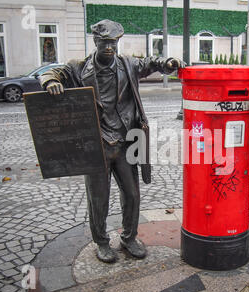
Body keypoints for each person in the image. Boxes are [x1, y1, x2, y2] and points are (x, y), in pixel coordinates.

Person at [39, 20, 184, 263]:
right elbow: (50, 72)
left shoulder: (128, 64)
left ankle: (129, 237)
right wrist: (50, 82)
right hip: (96, 145)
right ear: (96, 42)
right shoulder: (78, 68)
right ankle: (101, 242)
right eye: (105, 42)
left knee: (132, 194)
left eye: (113, 42)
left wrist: (168, 63)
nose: (110, 47)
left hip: (126, 142)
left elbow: (152, 63)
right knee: (98, 198)